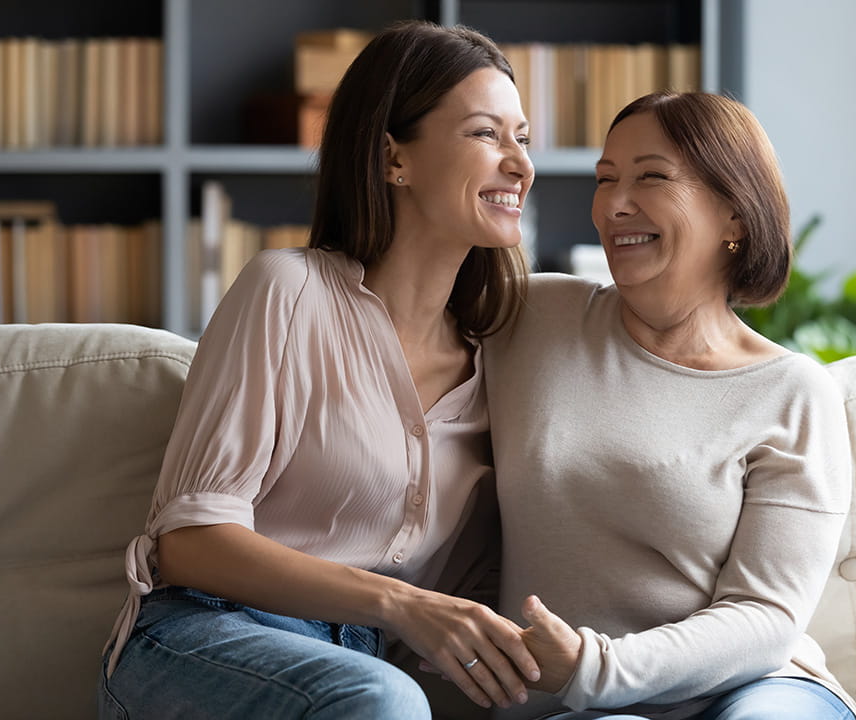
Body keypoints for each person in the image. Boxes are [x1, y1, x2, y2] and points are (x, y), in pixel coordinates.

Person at [98, 20, 541, 719]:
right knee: (380, 697)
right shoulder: (287, 290)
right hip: (206, 636)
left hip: (358, 663)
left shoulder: (501, 358)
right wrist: (403, 605)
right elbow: (189, 543)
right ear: (395, 158)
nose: (519, 165)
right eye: (486, 135)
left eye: (523, 138)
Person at [481, 92, 856, 720]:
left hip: (756, 689)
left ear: (735, 216)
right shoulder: (529, 317)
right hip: (574, 708)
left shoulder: (794, 393)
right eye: (606, 179)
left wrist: (593, 665)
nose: (614, 204)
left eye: (652, 176)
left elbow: (765, 614)